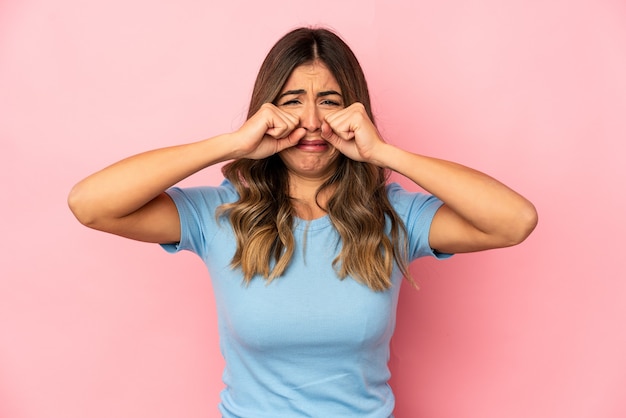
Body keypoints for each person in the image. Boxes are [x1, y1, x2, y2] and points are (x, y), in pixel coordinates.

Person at [68, 27, 537, 418]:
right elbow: (90, 203)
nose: (312, 121)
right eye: (293, 101)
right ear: (267, 110)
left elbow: (514, 220)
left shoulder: (395, 216)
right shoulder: (220, 215)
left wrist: (384, 153)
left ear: (355, 112)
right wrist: (232, 144)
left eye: (329, 101)